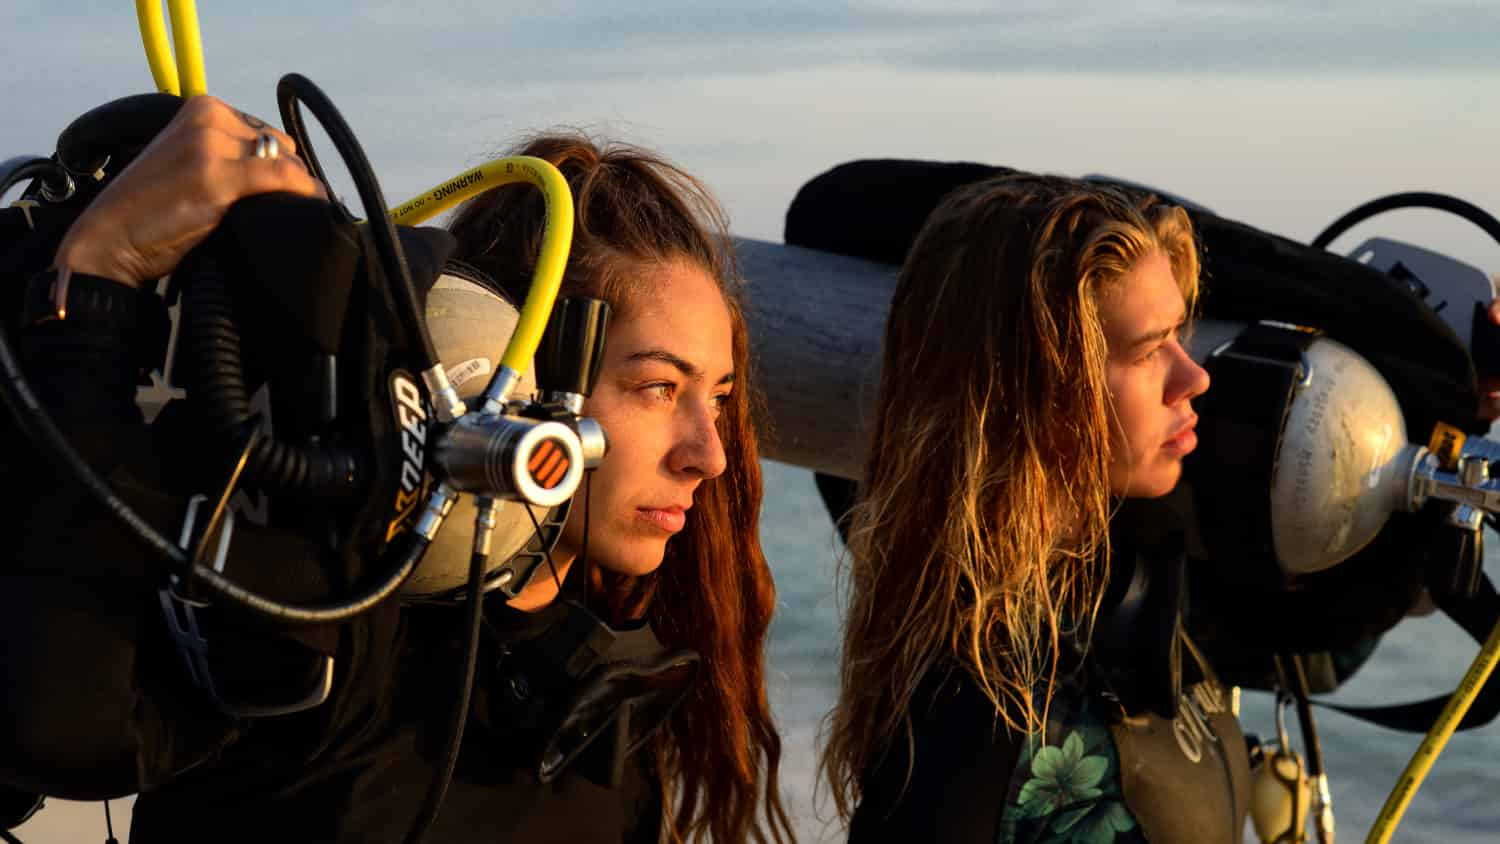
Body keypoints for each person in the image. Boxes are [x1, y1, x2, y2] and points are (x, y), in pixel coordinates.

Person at [1, 96, 792, 843]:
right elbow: (65, 725)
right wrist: (96, 282)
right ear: (510, 383)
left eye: (717, 398)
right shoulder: (324, 631)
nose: (709, 454)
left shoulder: (604, 700)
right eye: (658, 388)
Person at [821, 173, 1246, 843]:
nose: (1194, 377)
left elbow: (1325, 647)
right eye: (1145, 351)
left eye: (1179, 336)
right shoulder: (968, 717)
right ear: (1031, 387)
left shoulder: (1129, 575)